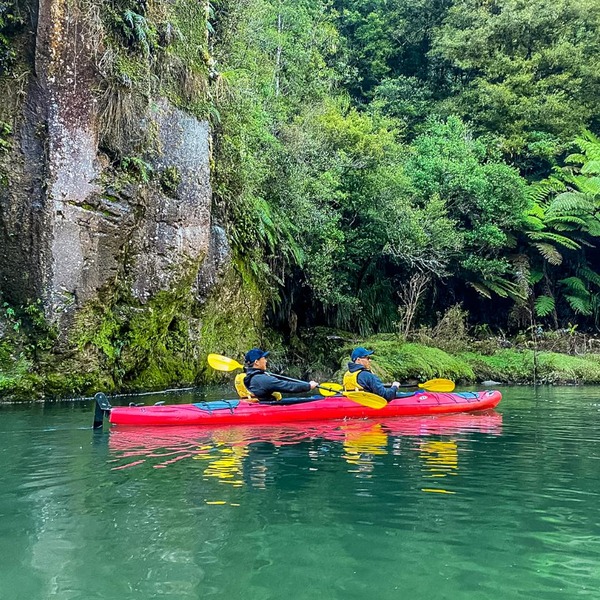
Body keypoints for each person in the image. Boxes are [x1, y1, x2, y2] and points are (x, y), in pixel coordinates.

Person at [243, 348, 318, 402]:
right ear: (256, 362)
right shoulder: (261, 379)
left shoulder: (251, 376)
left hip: (267, 403)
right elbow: (287, 386)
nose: (266, 361)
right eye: (264, 358)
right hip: (268, 407)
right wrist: (308, 386)